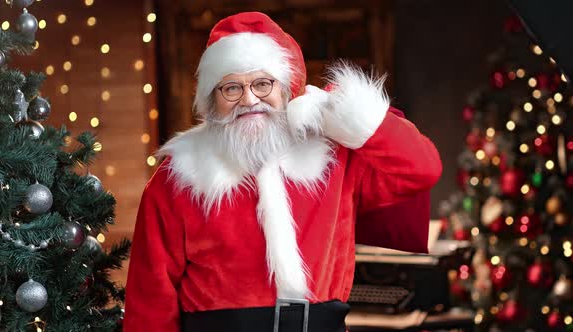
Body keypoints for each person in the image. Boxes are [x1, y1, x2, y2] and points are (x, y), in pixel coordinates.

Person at [123, 11, 442, 332]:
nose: (249, 100)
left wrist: (349, 114)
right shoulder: (180, 173)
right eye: (231, 88)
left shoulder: (332, 154)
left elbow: (422, 169)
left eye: (263, 83)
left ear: (288, 88)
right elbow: (150, 298)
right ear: (211, 100)